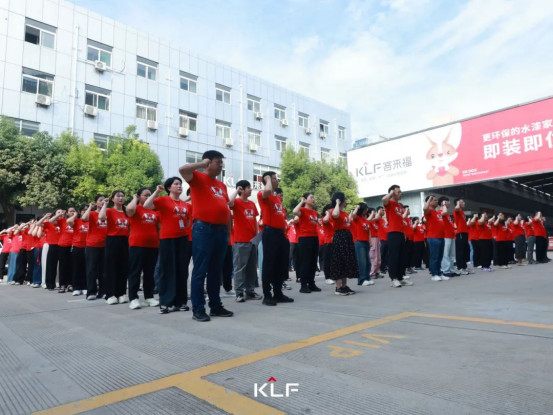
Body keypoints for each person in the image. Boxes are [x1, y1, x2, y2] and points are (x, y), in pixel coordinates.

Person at [180, 150, 234, 321]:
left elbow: (225, 209)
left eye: (221, 162)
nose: (221, 165)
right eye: (218, 162)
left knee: (216, 271)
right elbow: (182, 170)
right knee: (200, 270)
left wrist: (228, 232)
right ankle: (198, 309)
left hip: (220, 231)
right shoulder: (197, 177)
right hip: (203, 229)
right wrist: (201, 164)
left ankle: (215, 306)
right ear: (208, 163)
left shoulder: (221, 186)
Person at [144, 178, 191, 314]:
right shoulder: (163, 200)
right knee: (167, 270)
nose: (179, 186)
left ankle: (181, 302)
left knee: (182, 270)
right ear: (169, 188)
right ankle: (165, 302)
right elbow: (147, 205)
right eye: (176, 184)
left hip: (183, 239)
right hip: (168, 239)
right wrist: (156, 192)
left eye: (180, 184)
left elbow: (188, 221)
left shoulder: (185, 204)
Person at [257, 171, 294, 306]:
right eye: (274, 178)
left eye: (276, 178)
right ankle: (267, 295)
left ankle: (278, 293)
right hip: (270, 232)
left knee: (280, 264)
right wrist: (267, 179)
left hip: (280, 233)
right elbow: (267, 190)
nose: (276, 180)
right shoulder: (262, 194)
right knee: (269, 264)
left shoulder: (277, 198)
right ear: (267, 180)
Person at [228, 180, 262, 303]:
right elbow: (229, 202)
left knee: (251, 268)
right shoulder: (237, 202)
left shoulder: (252, 204)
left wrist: (256, 237)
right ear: (241, 189)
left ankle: (250, 291)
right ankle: (239, 293)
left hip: (252, 241)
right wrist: (236, 190)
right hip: (240, 241)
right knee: (240, 268)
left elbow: (254, 221)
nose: (250, 189)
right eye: (248, 187)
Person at [126, 187, 160, 310]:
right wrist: (134, 198)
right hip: (137, 245)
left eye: (150, 195)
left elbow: (159, 228)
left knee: (149, 273)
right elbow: (129, 209)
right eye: (145, 195)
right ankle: (133, 298)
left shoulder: (155, 212)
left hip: (153, 246)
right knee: (135, 272)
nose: (148, 197)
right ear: (139, 197)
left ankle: (149, 297)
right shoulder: (136, 209)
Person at [99, 190, 130, 305]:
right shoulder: (109, 210)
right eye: (118, 196)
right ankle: (110, 294)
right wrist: (105, 204)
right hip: (112, 240)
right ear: (113, 199)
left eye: (122, 196)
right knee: (111, 268)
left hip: (125, 241)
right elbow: (101, 217)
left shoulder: (127, 212)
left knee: (123, 268)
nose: (121, 198)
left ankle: (121, 293)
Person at [328, 192, 359, 295]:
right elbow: (335, 215)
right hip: (339, 237)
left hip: (346, 238)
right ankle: (338, 288)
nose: (346, 201)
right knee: (339, 262)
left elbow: (348, 223)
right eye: (344, 199)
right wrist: (337, 203)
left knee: (346, 262)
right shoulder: (334, 211)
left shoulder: (344, 213)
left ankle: (344, 286)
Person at [382, 185, 412, 287]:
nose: (400, 193)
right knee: (394, 256)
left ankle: (400, 277)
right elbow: (383, 199)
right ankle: (394, 278)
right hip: (393, 233)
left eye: (400, 191)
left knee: (401, 256)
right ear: (392, 193)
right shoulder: (389, 203)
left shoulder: (399, 206)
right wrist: (391, 193)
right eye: (398, 192)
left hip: (400, 233)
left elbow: (400, 219)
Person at [293, 193, 322, 293]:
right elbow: (294, 211)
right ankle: (303, 285)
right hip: (305, 238)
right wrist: (302, 202)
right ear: (305, 199)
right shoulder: (302, 210)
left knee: (313, 262)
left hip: (314, 237)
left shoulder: (314, 212)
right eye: (311, 197)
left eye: (314, 197)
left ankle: (311, 283)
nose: (313, 199)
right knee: (305, 262)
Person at [82, 194, 108, 300]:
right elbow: (84, 218)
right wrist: (89, 207)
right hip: (92, 244)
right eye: (100, 200)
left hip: (105, 245)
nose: (102, 202)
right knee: (91, 269)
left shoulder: (108, 213)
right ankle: (91, 292)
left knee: (104, 270)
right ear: (96, 202)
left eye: (104, 200)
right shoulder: (92, 214)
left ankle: (103, 291)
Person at [423, 195, 447, 281]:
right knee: (434, 257)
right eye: (435, 200)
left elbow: (445, 212)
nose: (437, 201)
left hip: (441, 237)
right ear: (430, 202)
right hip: (433, 237)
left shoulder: (437, 212)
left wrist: (444, 205)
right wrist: (429, 198)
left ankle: (439, 273)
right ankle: (434, 274)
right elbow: (425, 208)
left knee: (440, 257)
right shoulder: (428, 211)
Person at [67, 205, 88, 296]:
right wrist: (75, 214)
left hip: (88, 247)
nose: (85, 211)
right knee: (76, 268)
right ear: (80, 211)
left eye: (87, 210)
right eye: (83, 210)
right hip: (77, 246)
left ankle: (85, 287)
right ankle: (76, 288)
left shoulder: (91, 221)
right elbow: (69, 221)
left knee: (86, 268)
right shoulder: (76, 221)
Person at [351, 202, 373, 286]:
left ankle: (367, 277)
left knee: (368, 262)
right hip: (359, 242)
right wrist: (357, 207)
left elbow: (368, 231)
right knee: (362, 262)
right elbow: (353, 215)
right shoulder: (357, 219)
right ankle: (361, 280)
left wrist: (370, 241)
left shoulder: (366, 220)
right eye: (365, 209)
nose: (366, 210)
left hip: (366, 242)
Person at [57, 207, 77, 292]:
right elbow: (51, 221)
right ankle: (62, 285)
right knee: (63, 266)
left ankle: (70, 284)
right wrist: (60, 214)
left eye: (74, 211)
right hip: (63, 245)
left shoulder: (77, 221)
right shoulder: (62, 221)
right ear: (67, 213)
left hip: (73, 245)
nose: (72, 212)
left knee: (72, 266)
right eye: (70, 211)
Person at [42, 211, 64, 290]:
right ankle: (50, 284)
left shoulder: (65, 222)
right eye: (58, 212)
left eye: (62, 212)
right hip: (53, 245)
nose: (61, 213)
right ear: (55, 214)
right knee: (51, 266)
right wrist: (45, 217)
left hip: (62, 245)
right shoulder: (49, 223)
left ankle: (62, 284)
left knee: (62, 266)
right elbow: (38, 224)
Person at [439, 197, 458, 278]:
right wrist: (443, 205)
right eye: (447, 201)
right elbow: (443, 212)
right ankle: (445, 271)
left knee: (452, 255)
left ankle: (451, 270)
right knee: (445, 254)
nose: (449, 203)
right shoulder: (440, 212)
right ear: (442, 203)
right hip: (445, 236)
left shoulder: (447, 214)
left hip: (451, 236)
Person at [453, 198, 470, 275]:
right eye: (462, 202)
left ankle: (464, 267)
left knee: (465, 250)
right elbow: (456, 208)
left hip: (464, 233)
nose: (464, 203)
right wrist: (458, 203)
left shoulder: (462, 212)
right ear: (458, 203)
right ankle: (460, 267)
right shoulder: (456, 210)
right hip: (460, 233)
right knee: (460, 251)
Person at [321, 204, 334, 285]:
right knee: (328, 260)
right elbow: (325, 220)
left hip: (335, 242)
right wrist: (327, 213)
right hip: (328, 242)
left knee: (334, 260)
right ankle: (328, 277)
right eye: (331, 209)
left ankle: (333, 275)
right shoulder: (324, 218)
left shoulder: (333, 219)